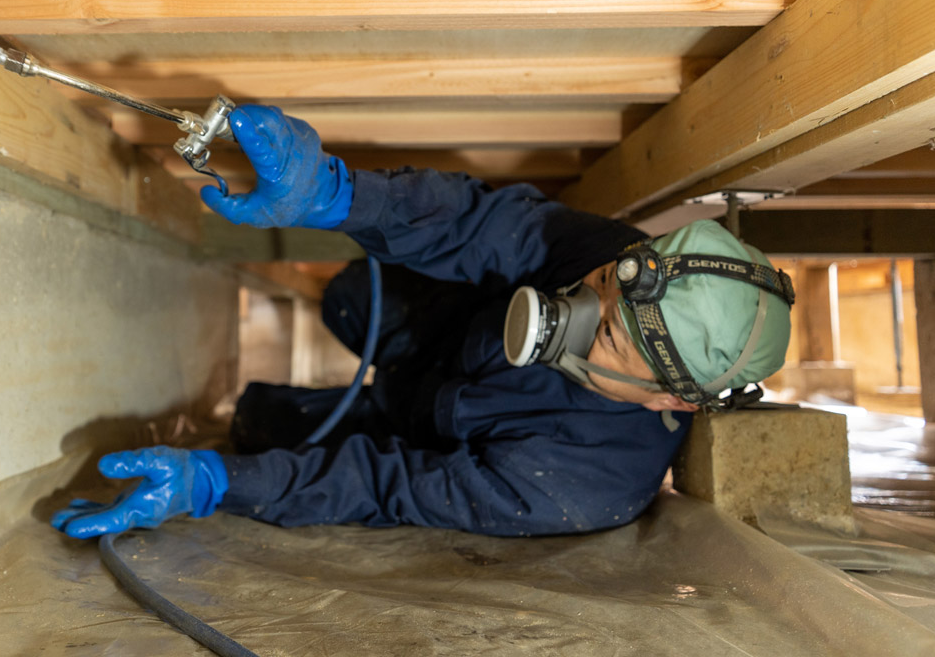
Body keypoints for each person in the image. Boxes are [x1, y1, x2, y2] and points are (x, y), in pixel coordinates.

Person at [52, 105, 794, 540]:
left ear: (671, 399)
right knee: (350, 295)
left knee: (258, 431)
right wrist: (333, 196)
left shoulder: (585, 485)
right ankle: (371, 350)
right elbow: (478, 224)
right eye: (597, 286)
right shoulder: (622, 258)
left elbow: (391, 487)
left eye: (605, 335)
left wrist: (214, 482)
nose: (580, 304)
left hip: (423, 431)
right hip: (442, 332)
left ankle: (308, 419)